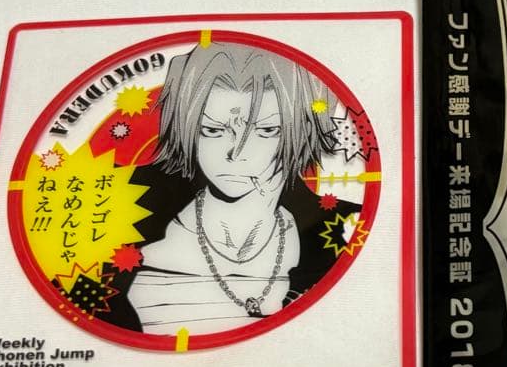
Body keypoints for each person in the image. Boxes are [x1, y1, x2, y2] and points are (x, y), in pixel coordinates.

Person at [119, 40, 360, 335]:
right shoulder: (123, 218)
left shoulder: (346, 230)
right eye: (212, 130)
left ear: (305, 129)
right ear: (187, 129)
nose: (236, 153)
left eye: (267, 130)